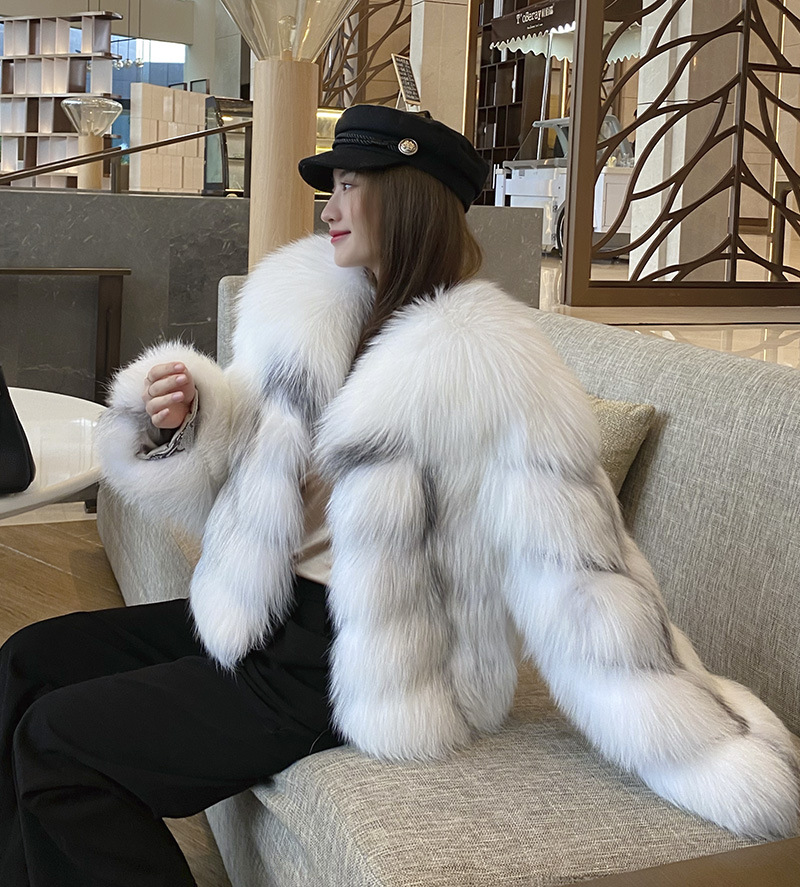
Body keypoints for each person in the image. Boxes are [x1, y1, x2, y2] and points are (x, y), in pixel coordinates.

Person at [0, 105, 797, 886]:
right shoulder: (306, 312)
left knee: (60, 744)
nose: (330, 208)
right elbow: (242, 445)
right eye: (332, 187)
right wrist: (181, 419)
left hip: (357, 658)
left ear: (409, 201)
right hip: (262, 605)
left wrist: (704, 748)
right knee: (28, 661)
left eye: (351, 186)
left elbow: (582, 573)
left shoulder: (492, 367)